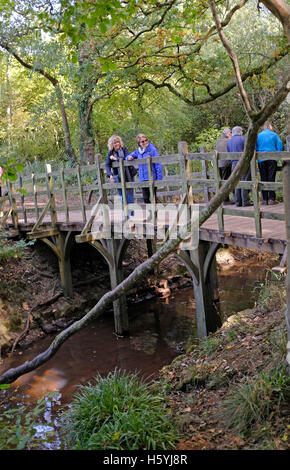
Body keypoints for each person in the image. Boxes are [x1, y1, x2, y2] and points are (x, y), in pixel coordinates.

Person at [127, 133, 163, 204]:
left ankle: (154, 213)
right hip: (142, 178)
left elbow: (158, 164)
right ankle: (151, 212)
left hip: (152, 177)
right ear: (139, 143)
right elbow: (129, 155)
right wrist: (129, 157)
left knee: (153, 197)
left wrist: (159, 178)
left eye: (146, 140)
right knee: (145, 198)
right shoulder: (138, 151)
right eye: (142, 141)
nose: (145, 142)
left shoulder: (152, 149)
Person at [105, 135, 136, 216]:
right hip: (117, 177)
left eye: (118, 142)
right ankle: (126, 214)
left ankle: (131, 215)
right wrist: (110, 175)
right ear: (112, 144)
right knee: (122, 196)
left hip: (128, 175)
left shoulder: (124, 149)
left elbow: (126, 159)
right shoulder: (110, 153)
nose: (117, 144)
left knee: (129, 195)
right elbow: (107, 165)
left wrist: (115, 159)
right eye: (115, 142)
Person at [256, 121, 283, 205]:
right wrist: (277, 157)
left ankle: (264, 199)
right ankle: (272, 199)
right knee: (271, 178)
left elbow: (255, 146)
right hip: (272, 158)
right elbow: (280, 146)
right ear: (270, 127)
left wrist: (258, 154)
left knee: (263, 178)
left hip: (261, 159)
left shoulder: (259, 135)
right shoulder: (274, 135)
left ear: (264, 127)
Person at [227, 126, 252, 207]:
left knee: (236, 182)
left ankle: (238, 202)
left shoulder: (229, 142)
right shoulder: (243, 139)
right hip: (243, 163)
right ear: (239, 132)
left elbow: (228, 154)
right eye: (241, 131)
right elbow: (248, 150)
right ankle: (245, 201)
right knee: (244, 181)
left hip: (234, 164)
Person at [216, 127, 232, 203]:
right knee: (226, 181)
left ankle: (224, 199)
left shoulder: (218, 141)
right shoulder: (228, 141)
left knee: (222, 181)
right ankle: (225, 199)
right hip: (226, 164)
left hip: (219, 164)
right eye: (230, 133)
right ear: (228, 133)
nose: (231, 134)